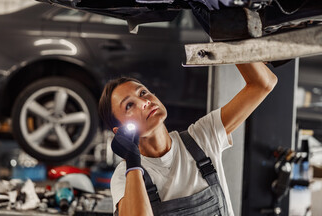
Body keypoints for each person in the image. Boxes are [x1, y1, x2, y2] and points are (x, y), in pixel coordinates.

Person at [98, 62, 278, 216]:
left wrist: (228, 32)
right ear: (119, 130)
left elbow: (263, 83)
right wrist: (133, 161)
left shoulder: (202, 137)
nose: (144, 102)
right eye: (129, 105)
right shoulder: (125, 176)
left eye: (143, 93)